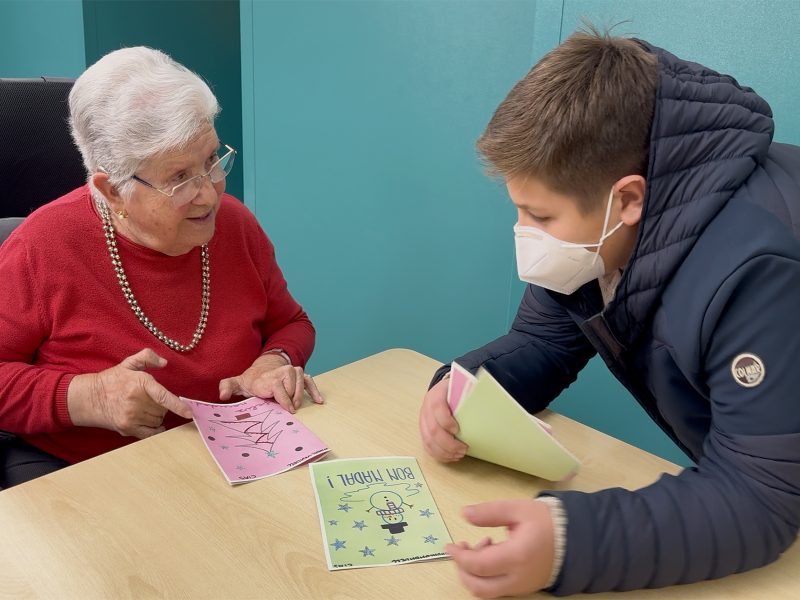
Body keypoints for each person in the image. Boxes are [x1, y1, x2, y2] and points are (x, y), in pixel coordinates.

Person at [419, 26, 800, 597]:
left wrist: (571, 543)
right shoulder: (600, 228)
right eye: (519, 210)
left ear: (627, 199)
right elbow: (544, 341)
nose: (524, 234)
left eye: (541, 217)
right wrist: (459, 387)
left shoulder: (758, 271)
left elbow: (761, 495)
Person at [0, 47, 323, 490]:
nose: (210, 193)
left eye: (211, 160)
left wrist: (273, 361)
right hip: (90, 474)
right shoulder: (41, 247)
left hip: (230, 457)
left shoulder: (235, 224)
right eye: (179, 178)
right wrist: (91, 397)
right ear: (113, 190)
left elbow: (291, 323)